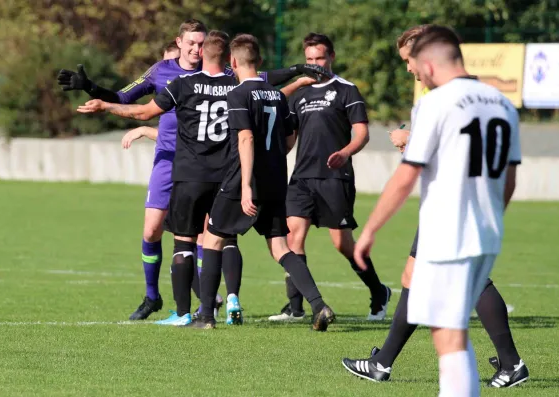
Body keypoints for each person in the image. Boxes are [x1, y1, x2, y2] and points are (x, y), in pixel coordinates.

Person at [59, 19, 331, 321]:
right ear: (179, 43)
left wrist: (295, 71)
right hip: (182, 163)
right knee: (158, 230)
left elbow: (255, 86)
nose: (195, 48)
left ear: (211, 50)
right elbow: (126, 97)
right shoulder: (166, 72)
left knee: (203, 239)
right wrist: (91, 88)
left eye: (201, 43)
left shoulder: (218, 81)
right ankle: (161, 298)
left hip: (207, 170)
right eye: (191, 42)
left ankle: (207, 308)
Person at [341, 25, 523, 395]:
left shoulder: (436, 104)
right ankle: (384, 362)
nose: (413, 72)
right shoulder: (501, 102)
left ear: (429, 61)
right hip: (486, 229)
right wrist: (492, 218)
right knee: (445, 318)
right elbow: (509, 177)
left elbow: (407, 176)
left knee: (449, 333)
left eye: (412, 64)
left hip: (447, 224)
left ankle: (503, 366)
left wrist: (371, 230)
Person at [193, 33, 336, 330]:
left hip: (242, 181)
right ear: (259, 62)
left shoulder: (237, 95)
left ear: (233, 63)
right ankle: (319, 305)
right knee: (281, 248)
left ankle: (206, 316)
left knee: (212, 238)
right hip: (275, 182)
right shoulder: (275, 95)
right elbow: (287, 140)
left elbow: (244, 137)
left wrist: (245, 185)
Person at [268, 33, 390, 322]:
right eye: (309, 60)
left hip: (336, 177)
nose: (315, 64)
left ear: (331, 57)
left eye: (319, 58)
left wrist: (346, 152)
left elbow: (362, 133)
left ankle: (378, 292)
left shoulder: (346, 90)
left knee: (342, 244)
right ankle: (296, 307)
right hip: (301, 178)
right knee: (293, 236)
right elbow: (280, 117)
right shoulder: (299, 93)